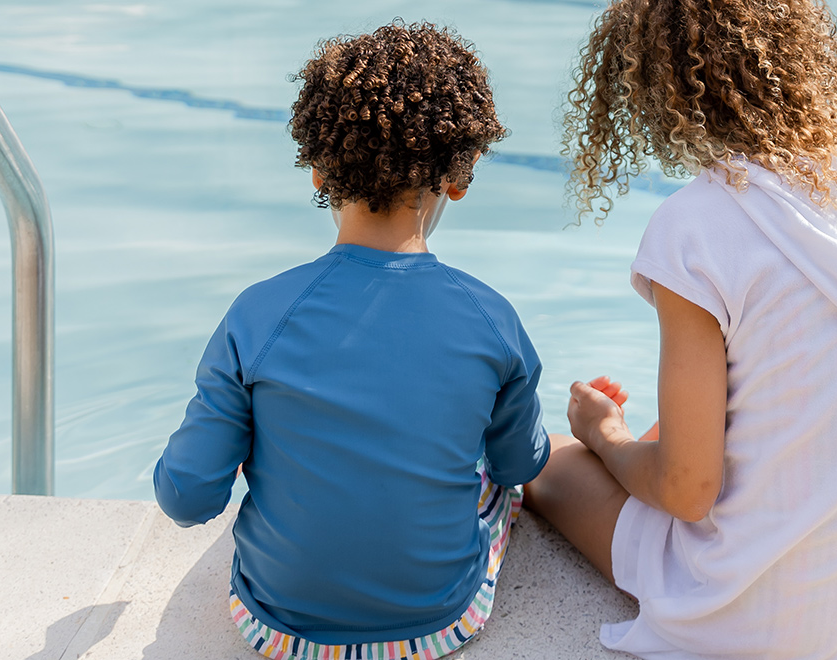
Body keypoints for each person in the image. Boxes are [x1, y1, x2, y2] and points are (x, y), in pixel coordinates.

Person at [523, 0, 837, 658]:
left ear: (658, 79)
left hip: (756, 621)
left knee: (547, 460)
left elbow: (687, 492)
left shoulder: (696, 227)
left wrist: (605, 437)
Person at [153, 21, 549, 660]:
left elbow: (187, 496)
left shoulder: (257, 316)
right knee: (496, 488)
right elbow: (520, 465)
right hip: (438, 627)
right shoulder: (491, 318)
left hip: (276, 630)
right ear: (461, 174)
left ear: (316, 172)